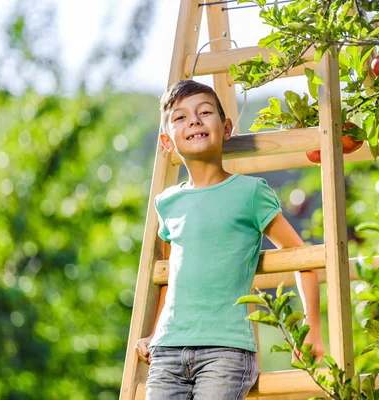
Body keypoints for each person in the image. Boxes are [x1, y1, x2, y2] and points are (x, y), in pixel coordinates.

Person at [134, 79, 324, 399]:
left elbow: (300, 256)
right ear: (167, 142)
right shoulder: (167, 202)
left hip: (226, 350)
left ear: (226, 128)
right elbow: (170, 278)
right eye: (180, 117)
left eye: (204, 112)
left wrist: (312, 330)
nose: (193, 120)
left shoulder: (250, 193)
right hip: (166, 351)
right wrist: (153, 333)